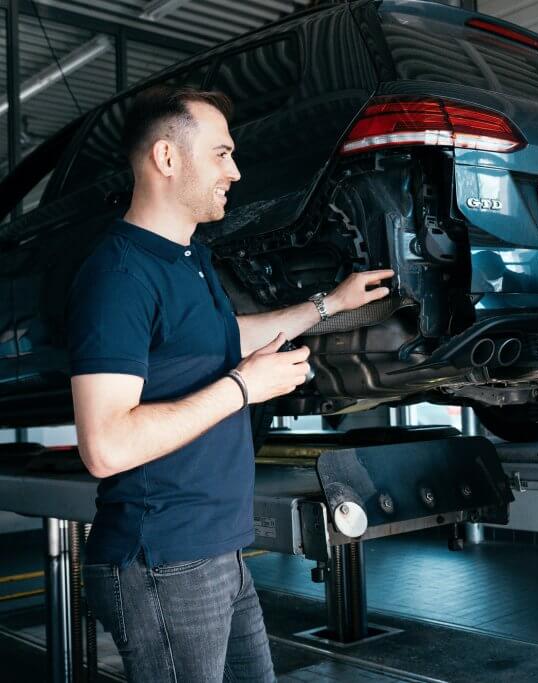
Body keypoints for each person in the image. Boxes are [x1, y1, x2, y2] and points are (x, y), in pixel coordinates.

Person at [68, 86, 392, 681]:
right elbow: (106, 446)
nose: (235, 171)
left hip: (217, 549)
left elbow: (223, 336)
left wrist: (328, 305)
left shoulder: (190, 258)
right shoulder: (119, 276)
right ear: (167, 157)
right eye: (221, 153)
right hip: (163, 560)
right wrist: (244, 388)